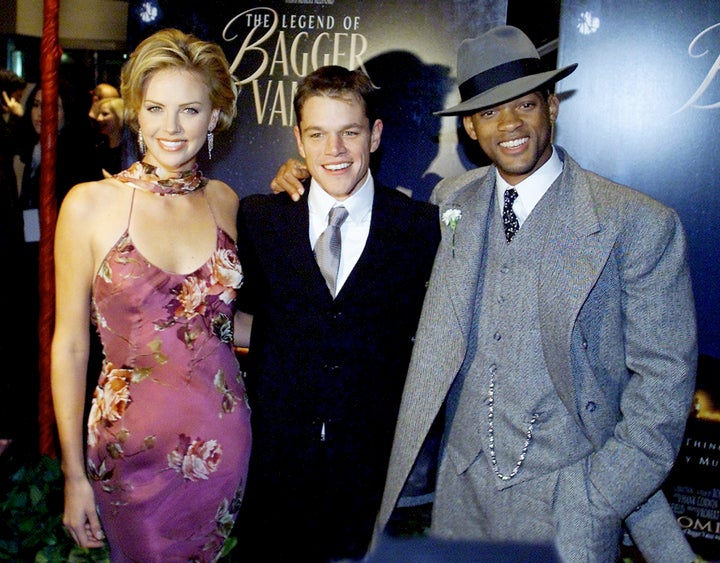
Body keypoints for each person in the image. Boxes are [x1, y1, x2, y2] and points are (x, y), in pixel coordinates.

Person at [368, 26, 697, 562]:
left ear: (551, 106)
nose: (510, 125)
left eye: (524, 104)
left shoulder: (635, 221)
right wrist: (306, 186)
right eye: (491, 113)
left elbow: (665, 382)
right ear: (471, 128)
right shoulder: (453, 199)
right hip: (460, 492)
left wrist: (596, 496)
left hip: (568, 499)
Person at [51, 28, 251, 562]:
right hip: (126, 455)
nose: (171, 127)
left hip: (222, 443)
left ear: (214, 118)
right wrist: (73, 474)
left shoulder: (226, 201)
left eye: (189, 110)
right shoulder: (89, 205)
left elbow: (224, 324)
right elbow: (70, 346)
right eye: (157, 107)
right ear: (137, 111)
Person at [235, 65, 440, 561]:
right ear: (299, 142)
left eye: (349, 132)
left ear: (375, 135)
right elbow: (240, 321)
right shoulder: (260, 218)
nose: (335, 151)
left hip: (373, 473)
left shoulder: (421, 228)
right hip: (275, 470)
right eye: (318, 135)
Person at [90, 96, 125, 175]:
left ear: (119, 116)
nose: (99, 118)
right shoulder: (99, 146)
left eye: (105, 114)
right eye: (99, 114)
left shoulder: (130, 150)